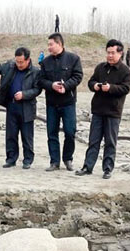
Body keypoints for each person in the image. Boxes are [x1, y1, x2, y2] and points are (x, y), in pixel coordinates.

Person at [76, 39, 130, 180]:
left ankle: (107, 169)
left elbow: (126, 88)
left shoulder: (125, 71)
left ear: (120, 53)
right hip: (98, 111)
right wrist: (95, 86)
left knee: (110, 142)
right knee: (93, 141)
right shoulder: (101, 67)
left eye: (113, 53)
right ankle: (87, 167)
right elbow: (91, 82)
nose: (110, 56)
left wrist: (110, 88)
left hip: (113, 112)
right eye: (108, 53)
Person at [0, 46, 41, 169]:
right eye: (17, 61)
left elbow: (37, 89)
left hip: (27, 106)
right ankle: (11, 159)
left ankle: (27, 160)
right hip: (11, 105)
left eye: (21, 62)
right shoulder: (10, 66)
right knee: (11, 135)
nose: (18, 64)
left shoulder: (35, 72)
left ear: (28, 60)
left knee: (27, 135)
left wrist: (24, 94)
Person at [38, 32, 83, 171]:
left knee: (70, 132)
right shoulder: (45, 62)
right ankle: (54, 162)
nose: (49, 47)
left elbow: (78, 76)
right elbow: (40, 80)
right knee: (52, 133)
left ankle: (68, 159)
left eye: (51, 44)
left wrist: (66, 86)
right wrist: (51, 85)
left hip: (68, 102)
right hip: (52, 103)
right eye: (48, 44)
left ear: (60, 44)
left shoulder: (73, 58)